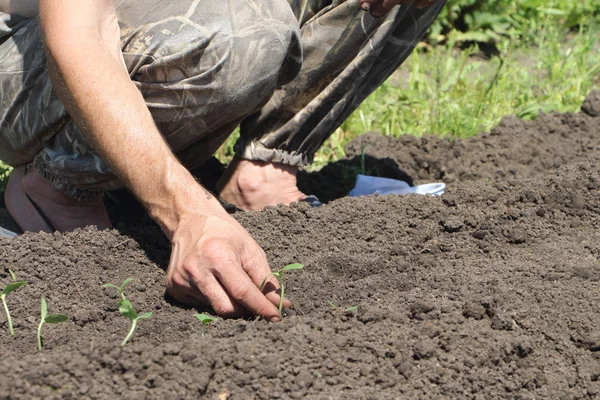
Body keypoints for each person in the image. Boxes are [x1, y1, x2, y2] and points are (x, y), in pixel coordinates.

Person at [0, 0, 444, 320]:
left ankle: (264, 168)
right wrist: (187, 212)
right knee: (245, 31)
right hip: (29, 53)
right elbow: (80, 35)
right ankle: (59, 184)